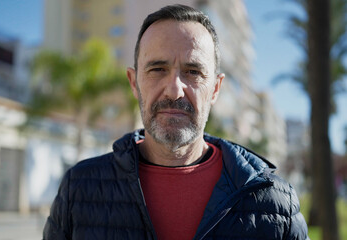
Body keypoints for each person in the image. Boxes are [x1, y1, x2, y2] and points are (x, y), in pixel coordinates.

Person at [43, 4, 309, 240]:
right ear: (134, 83)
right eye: (157, 69)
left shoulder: (276, 203)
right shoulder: (79, 188)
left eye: (193, 72)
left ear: (215, 89)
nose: (174, 90)